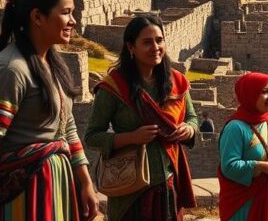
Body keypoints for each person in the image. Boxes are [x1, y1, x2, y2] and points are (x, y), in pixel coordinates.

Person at [0, 0, 98, 221]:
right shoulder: (12, 69)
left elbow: (67, 127)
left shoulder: (51, 63)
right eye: (66, 13)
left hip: (54, 187)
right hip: (23, 194)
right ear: (37, 17)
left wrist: (85, 183)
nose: (73, 21)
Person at [85, 15, 199, 220]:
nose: (155, 47)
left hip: (168, 182)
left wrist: (188, 129)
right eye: (147, 42)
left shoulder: (176, 81)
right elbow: (92, 136)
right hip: (131, 188)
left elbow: (192, 118)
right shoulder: (114, 87)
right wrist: (132, 138)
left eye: (159, 40)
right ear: (131, 47)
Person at [218, 73, 268, 221]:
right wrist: (260, 166)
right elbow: (229, 166)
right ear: (250, 94)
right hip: (246, 204)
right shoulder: (235, 128)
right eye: (265, 92)